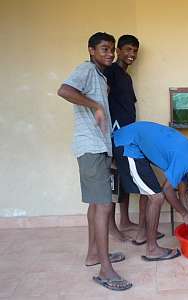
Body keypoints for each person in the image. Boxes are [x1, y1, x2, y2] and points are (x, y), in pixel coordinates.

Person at [57, 32, 132, 291]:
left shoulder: (100, 75)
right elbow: (64, 90)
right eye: (104, 49)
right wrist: (95, 106)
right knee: (104, 206)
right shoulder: (87, 69)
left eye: (111, 49)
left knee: (96, 205)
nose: (110, 53)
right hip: (90, 148)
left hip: (99, 147)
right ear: (91, 50)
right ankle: (105, 270)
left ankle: (93, 254)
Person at [113, 121, 188, 261]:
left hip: (131, 142)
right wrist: (184, 214)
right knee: (156, 197)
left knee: (148, 192)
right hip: (128, 144)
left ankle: (142, 234)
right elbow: (167, 190)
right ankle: (152, 249)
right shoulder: (187, 158)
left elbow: (183, 193)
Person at [104, 35, 164, 245]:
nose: (132, 54)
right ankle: (111, 228)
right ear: (118, 51)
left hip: (127, 135)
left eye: (135, 51)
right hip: (116, 135)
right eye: (128, 50)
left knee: (123, 177)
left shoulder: (125, 76)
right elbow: (103, 100)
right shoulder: (110, 72)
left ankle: (125, 221)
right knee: (112, 179)